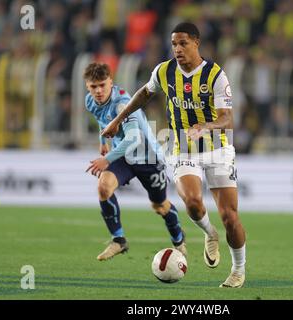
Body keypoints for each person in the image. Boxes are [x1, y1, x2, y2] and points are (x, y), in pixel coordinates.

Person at [102, 22, 246, 288]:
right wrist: (118, 120)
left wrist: (206, 126)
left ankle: (238, 270)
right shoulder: (165, 71)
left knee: (230, 217)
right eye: (174, 44)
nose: (177, 49)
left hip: (217, 146)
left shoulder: (216, 75)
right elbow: (145, 93)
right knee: (192, 201)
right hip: (182, 146)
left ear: (196, 43)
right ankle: (209, 233)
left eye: (183, 43)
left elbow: (227, 119)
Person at [83, 62, 186, 261]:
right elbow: (102, 120)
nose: (98, 91)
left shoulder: (122, 102)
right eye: (93, 87)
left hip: (147, 157)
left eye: (102, 85)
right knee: (104, 188)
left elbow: (134, 138)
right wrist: (103, 141)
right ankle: (118, 240)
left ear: (110, 82)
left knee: (159, 206)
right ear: (87, 86)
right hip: (123, 155)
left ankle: (179, 240)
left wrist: (106, 159)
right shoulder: (90, 101)